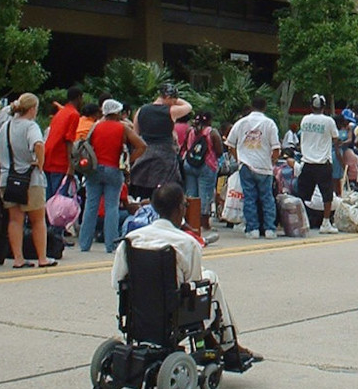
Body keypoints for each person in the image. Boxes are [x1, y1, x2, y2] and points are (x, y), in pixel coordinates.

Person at [111, 183, 262, 362]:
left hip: (139, 310)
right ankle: (228, 344)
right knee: (210, 279)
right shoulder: (186, 243)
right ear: (180, 209)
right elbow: (195, 283)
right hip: (173, 312)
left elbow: (117, 281)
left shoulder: (131, 240)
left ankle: (224, 343)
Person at [0, 93, 57, 268]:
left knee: (15, 219)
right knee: (37, 219)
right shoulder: (30, 126)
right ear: (32, 108)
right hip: (30, 179)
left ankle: (18, 258)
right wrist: (40, 164)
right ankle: (42, 258)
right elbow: (38, 144)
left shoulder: (5, 126)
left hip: (7, 179)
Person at [80, 99, 147, 253]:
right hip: (114, 169)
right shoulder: (122, 128)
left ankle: (85, 244)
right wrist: (128, 160)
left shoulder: (95, 127)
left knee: (91, 206)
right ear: (117, 112)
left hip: (94, 169)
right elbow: (142, 146)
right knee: (112, 207)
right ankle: (111, 244)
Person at [226, 97, 280, 239]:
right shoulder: (270, 124)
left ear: (251, 106)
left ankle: (253, 229)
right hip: (264, 166)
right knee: (267, 198)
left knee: (249, 198)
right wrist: (272, 161)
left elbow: (230, 144)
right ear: (265, 107)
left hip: (246, 165)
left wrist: (238, 158)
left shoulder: (241, 123)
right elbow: (276, 149)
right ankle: (270, 229)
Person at [129, 84, 192, 199]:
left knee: (142, 191)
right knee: (166, 193)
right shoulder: (171, 111)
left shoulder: (141, 110)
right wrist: (177, 101)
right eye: (173, 100)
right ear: (167, 97)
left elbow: (135, 134)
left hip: (144, 154)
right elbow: (188, 106)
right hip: (165, 156)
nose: (174, 103)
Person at [298, 94, 341, 234]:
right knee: (327, 195)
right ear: (324, 107)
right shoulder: (329, 121)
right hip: (323, 162)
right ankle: (326, 223)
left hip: (307, 161)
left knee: (303, 195)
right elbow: (336, 139)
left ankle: (302, 222)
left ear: (311, 106)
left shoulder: (305, 119)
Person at [182, 112, 224, 232]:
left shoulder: (190, 131)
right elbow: (219, 151)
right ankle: (204, 223)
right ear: (209, 120)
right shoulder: (212, 132)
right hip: (206, 165)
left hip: (189, 164)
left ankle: (190, 221)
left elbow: (185, 146)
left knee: (191, 193)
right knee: (205, 194)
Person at [41, 87, 82, 200]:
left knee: (49, 200)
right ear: (79, 98)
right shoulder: (74, 114)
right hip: (60, 161)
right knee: (58, 201)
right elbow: (69, 140)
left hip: (48, 158)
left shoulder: (60, 113)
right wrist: (71, 166)